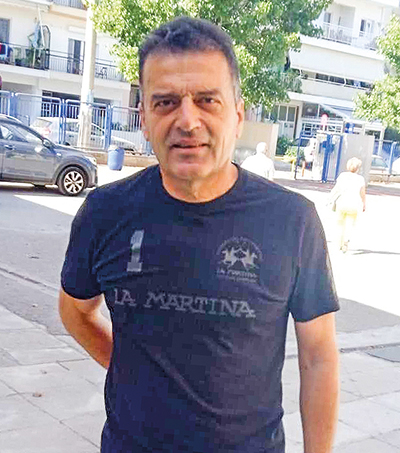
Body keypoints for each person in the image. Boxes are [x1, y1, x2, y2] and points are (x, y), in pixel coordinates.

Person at [59, 17, 339, 453]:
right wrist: (129, 371)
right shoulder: (105, 212)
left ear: (238, 115)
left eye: (207, 100)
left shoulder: (292, 220)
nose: (188, 121)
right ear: (144, 118)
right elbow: (75, 312)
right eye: (166, 102)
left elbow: (318, 356)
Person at [329, 157, 366, 253]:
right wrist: (364, 203)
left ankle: (339, 243)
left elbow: (336, 189)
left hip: (341, 203)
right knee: (350, 224)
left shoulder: (342, 176)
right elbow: (362, 193)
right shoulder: (360, 179)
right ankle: (346, 240)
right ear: (358, 168)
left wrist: (330, 199)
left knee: (340, 224)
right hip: (354, 205)